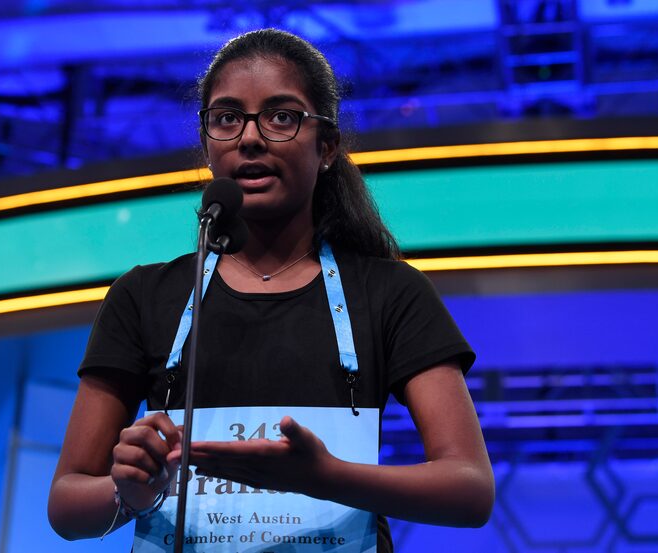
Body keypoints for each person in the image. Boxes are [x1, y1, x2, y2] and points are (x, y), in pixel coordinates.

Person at [48, 28, 494, 551]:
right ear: (208, 143)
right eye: (227, 117)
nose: (250, 137)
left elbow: (471, 489)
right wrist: (130, 494)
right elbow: (66, 504)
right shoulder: (142, 296)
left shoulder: (390, 293)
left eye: (282, 116)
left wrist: (324, 475)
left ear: (327, 147)